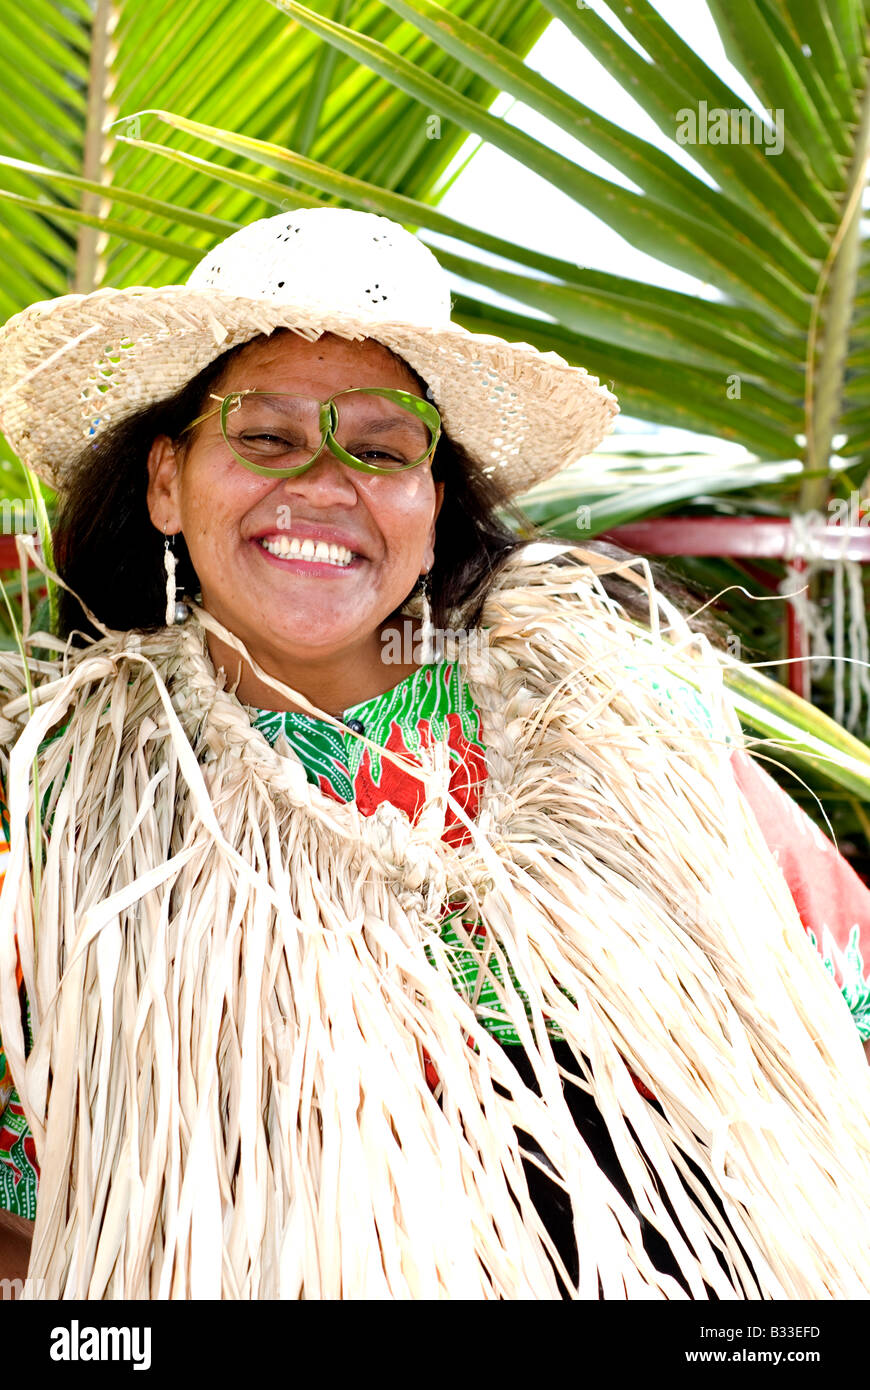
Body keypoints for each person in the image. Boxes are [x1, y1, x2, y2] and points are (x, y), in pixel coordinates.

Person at [0, 207, 868, 1299]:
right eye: (265, 437)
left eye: (381, 447)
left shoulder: (626, 731)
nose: (322, 484)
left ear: (433, 500)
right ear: (167, 480)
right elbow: (31, 1223)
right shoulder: (61, 806)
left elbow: (836, 1011)